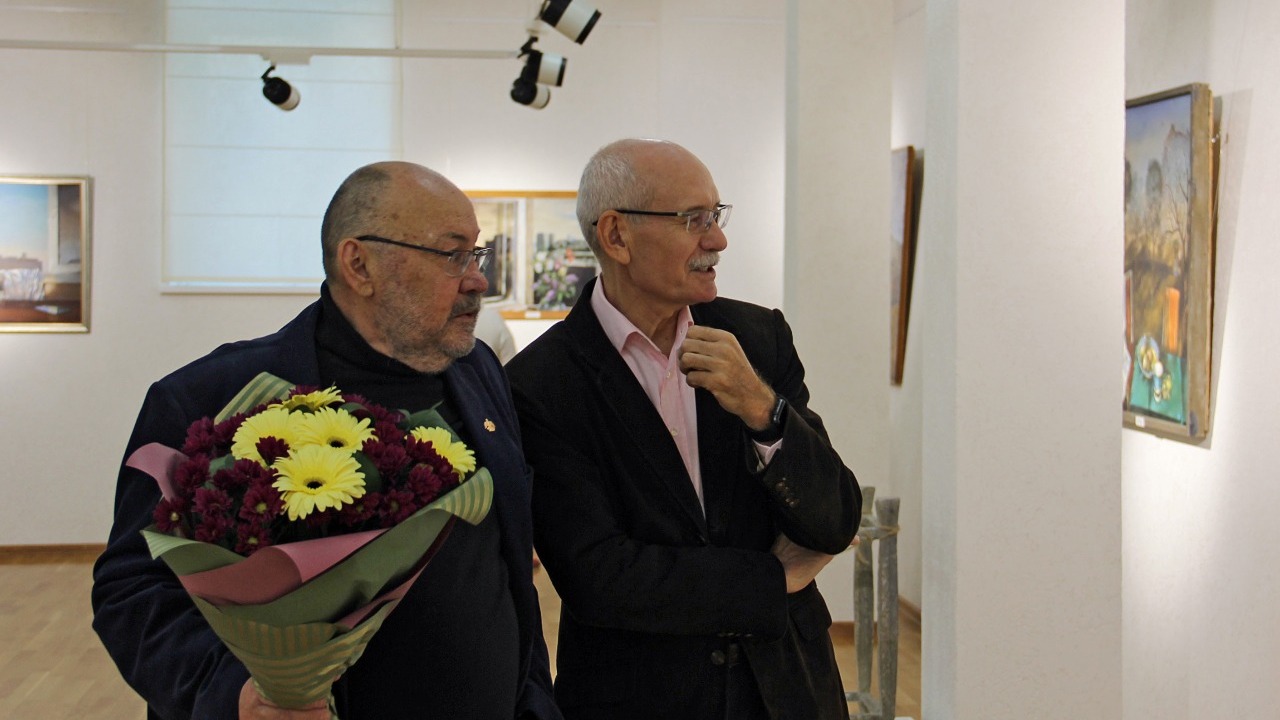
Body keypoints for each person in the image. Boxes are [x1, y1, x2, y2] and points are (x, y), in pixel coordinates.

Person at [92, 161, 562, 720]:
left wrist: (535, 700)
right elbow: (132, 590)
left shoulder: (478, 371)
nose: (478, 279)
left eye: (476, 254)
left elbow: (507, 572)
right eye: (452, 254)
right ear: (359, 264)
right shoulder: (211, 398)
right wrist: (231, 695)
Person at [505, 138, 862, 720]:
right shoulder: (541, 382)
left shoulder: (758, 338)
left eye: (716, 216)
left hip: (787, 688)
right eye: (694, 220)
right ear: (617, 235)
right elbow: (601, 577)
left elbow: (835, 517)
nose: (717, 240)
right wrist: (773, 579)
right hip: (642, 698)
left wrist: (761, 407)